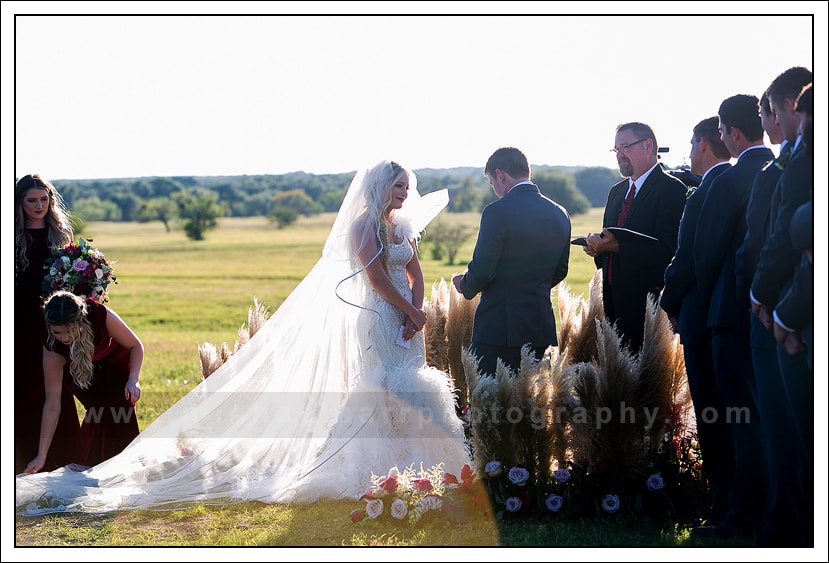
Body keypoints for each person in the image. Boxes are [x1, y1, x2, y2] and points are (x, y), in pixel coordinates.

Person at [16, 160, 469, 512]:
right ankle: (371, 467)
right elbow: (376, 279)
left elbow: (413, 268)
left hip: (408, 321)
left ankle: (419, 464)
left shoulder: (401, 226)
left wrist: (418, 310)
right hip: (380, 316)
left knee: (411, 382)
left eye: (406, 187)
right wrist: (409, 308)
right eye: (397, 186)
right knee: (380, 385)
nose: (404, 193)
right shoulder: (363, 226)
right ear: (377, 188)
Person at [690, 94, 773, 541]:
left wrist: (706, 302)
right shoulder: (775, 170)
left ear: (732, 133)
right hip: (769, 314)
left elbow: (706, 253)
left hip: (727, 314)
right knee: (759, 416)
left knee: (734, 419)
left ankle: (739, 516)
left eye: (721, 131)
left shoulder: (729, 178)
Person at [749, 70, 813, 547]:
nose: (771, 124)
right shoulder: (789, 161)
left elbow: (782, 240)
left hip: (796, 315)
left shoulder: (803, 162)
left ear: (791, 106)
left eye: (772, 110)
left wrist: (767, 300)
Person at [659, 116, 731, 525]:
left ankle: (725, 507)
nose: (688, 153)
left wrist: (669, 301)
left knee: (713, 414)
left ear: (705, 143)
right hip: (735, 319)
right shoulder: (748, 179)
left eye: (690, 144)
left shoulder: (704, 193)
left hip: (704, 319)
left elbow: (688, 258)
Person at [451, 147, 571, 378]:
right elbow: (561, 270)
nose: (494, 189)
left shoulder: (496, 211)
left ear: (501, 175)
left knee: (492, 404)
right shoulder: (560, 212)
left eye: (491, 182)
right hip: (539, 326)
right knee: (532, 405)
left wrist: (464, 283)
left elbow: (484, 270)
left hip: (498, 329)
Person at [583, 122, 686, 355]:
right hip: (611, 302)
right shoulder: (616, 192)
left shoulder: (671, 190)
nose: (619, 155)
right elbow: (610, 241)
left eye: (625, 147)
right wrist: (598, 249)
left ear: (648, 145)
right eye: (616, 149)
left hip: (647, 306)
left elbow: (669, 251)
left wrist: (618, 246)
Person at [24, 290, 143, 473]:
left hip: (114, 369)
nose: (64, 338)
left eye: (69, 331)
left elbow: (135, 345)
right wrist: (42, 455)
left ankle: (127, 471)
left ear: (79, 321)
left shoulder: (98, 314)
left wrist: (133, 380)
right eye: (57, 332)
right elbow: (52, 406)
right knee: (97, 416)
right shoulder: (53, 349)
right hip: (83, 378)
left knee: (119, 413)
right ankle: (98, 471)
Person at [14, 174, 80, 474]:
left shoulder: (60, 234)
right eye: (31, 200)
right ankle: (23, 458)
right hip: (18, 324)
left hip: (52, 323)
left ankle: (62, 459)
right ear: (19, 202)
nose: (39, 205)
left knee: (55, 389)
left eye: (44, 199)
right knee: (23, 387)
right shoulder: (12, 236)